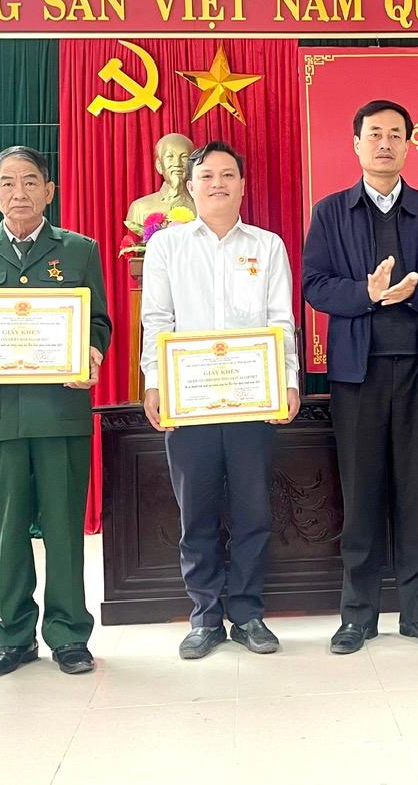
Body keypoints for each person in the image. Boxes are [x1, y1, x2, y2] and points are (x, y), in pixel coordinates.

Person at [0, 145, 111, 675]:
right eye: (7, 183)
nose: (19, 192)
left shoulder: (79, 250)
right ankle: (12, 636)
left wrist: (92, 351)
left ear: (49, 191)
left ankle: (69, 634)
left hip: (60, 410)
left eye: (30, 181)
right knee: (7, 530)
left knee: (64, 529)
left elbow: (97, 321)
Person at [303, 99, 418, 654]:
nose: (384, 143)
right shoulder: (331, 212)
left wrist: (416, 291)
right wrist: (367, 293)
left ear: (408, 144)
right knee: (361, 496)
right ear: (356, 144)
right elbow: (315, 285)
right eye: (374, 133)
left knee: (417, 496)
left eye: (395, 134)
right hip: (357, 375)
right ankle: (357, 615)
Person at [141, 141, 300, 659]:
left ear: (242, 185)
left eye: (227, 175)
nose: (217, 184)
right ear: (190, 186)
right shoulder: (167, 247)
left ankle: (249, 613)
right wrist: (154, 381)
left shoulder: (268, 246)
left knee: (254, 511)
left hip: (254, 400)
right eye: (206, 175)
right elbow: (157, 320)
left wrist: (289, 380)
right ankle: (205, 616)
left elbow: (281, 320)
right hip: (189, 402)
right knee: (198, 513)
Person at [126, 133, 196, 230]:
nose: (177, 163)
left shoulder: (203, 206)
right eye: (170, 157)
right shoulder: (139, 208)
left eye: (184, 157)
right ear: (159, 165)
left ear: (192, 165)